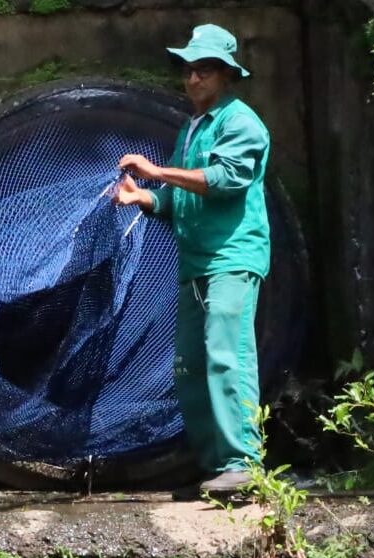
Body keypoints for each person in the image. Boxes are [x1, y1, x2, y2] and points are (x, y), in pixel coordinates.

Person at [113, 24, 271, 497]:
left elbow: (222, 181)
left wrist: (157, 171)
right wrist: (146, 197)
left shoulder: (242, 123)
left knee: (227, 355)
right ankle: (215, 467)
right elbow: (183, 198)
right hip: (195, 264)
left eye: (204, 70)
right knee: (189, 365)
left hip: (232, 258)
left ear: (226, 75)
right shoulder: (191, 128)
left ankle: (244, 463)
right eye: (189, 69)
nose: (193, 78)